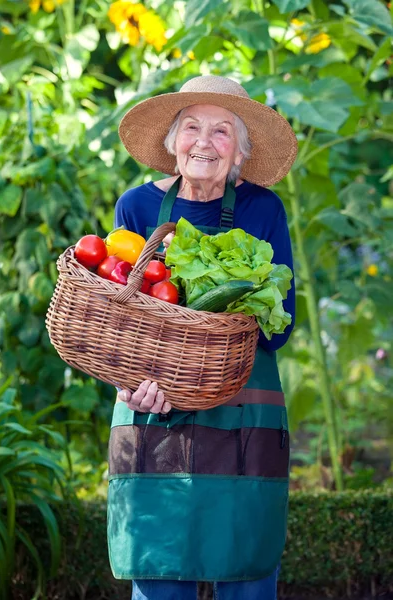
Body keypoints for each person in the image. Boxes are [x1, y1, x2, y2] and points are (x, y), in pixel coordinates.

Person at [108, 75, 297, 600]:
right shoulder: (137, 208)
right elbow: (118, 313)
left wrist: (215, 342)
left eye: (221, 131)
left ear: (241, 148)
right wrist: (127, 380)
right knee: (160, 570)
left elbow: (280, 327)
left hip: (242, 409)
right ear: (172, 141)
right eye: (191, 127)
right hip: (154, 408)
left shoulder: (264, 210)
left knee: (247, 571)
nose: (203, 142)